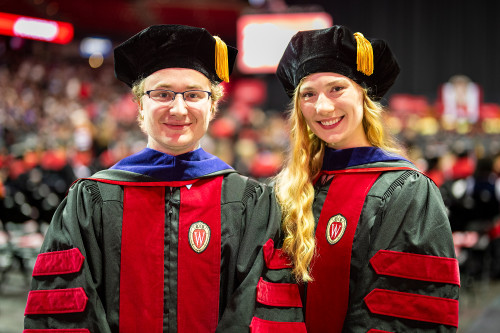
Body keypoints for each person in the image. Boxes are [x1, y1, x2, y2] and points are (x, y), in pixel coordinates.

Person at [23, 24, 295, 332]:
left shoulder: (248, 201)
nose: (178, 109)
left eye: (194, 94)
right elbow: (65, 309)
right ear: (140, 104)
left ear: (212, 105)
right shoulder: (93, 199)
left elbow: (260, 309)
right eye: (162, 93)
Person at [270, 25, 460, 332]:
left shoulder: (405, 190)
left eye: (336, 88)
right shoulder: (286, 190)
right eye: (308, 94)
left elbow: (408, 308)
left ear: (364, 94)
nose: (322, 106)